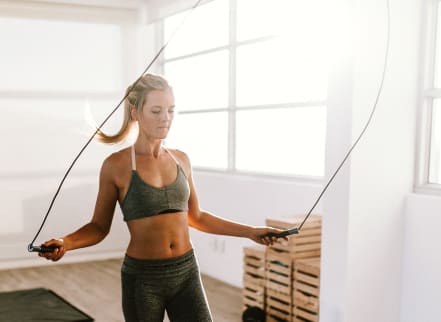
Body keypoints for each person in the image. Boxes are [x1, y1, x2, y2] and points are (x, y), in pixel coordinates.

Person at [39, 73, 285, 322]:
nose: (165, 118)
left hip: (187, 271)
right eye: (156, 110)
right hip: (143, 279)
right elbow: (99, 227)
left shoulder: (182, 159)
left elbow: (196, 217)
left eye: (170, 110)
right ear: (135, 112)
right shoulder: (116, 165)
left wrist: (251, 231)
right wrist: (66, 242)